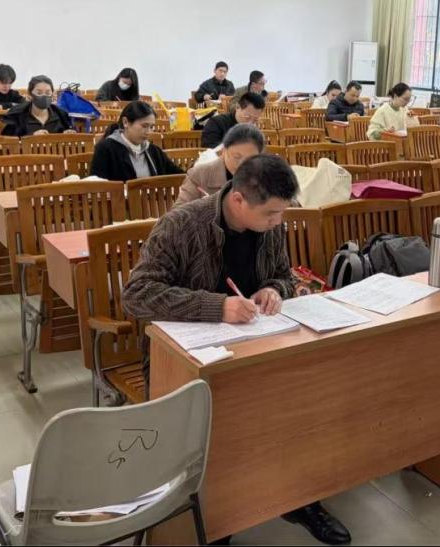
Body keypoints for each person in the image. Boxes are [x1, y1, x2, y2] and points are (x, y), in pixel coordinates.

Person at [122, 154, 352, 546]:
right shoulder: (181, 224)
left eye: (282, 212)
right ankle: (215, 519)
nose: (278, 221)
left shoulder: (271, 224)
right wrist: (217, 307)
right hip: (189, 358)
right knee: (218, 426)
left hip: (257, 343)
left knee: (306, 403)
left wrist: (274, 290)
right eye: (271, 213)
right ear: (238, 199)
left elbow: (282, 275)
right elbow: (137, 295)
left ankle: (299, 497)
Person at [90, 101, 183, 181]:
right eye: (144, 126)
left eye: (151, 127)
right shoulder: (105, 149)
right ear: (125, 122)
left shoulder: (154, 151)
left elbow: (180, 176)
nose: (148, 132)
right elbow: (97, 186)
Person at [176, 124, 264, 207]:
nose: (242, 164)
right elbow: (178, 214)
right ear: (224, 151)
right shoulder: (199, 175)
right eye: (237, 157)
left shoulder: (265, 178)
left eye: (250, 159)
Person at [0, 75, 75, 137]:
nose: (44, 96)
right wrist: (31, 138)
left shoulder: (61, 115)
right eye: (39, 93)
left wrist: (67, 135)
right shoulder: (18, 116)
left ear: (52, 94)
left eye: (47, 93)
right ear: (30, 95)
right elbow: (8, 143)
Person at [201, 92, 266, 149]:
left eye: (255, 119)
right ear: (237, 107)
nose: (250, 123)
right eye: (247, 117)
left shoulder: (257, 127)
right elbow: (208, 148)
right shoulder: (216, 123)